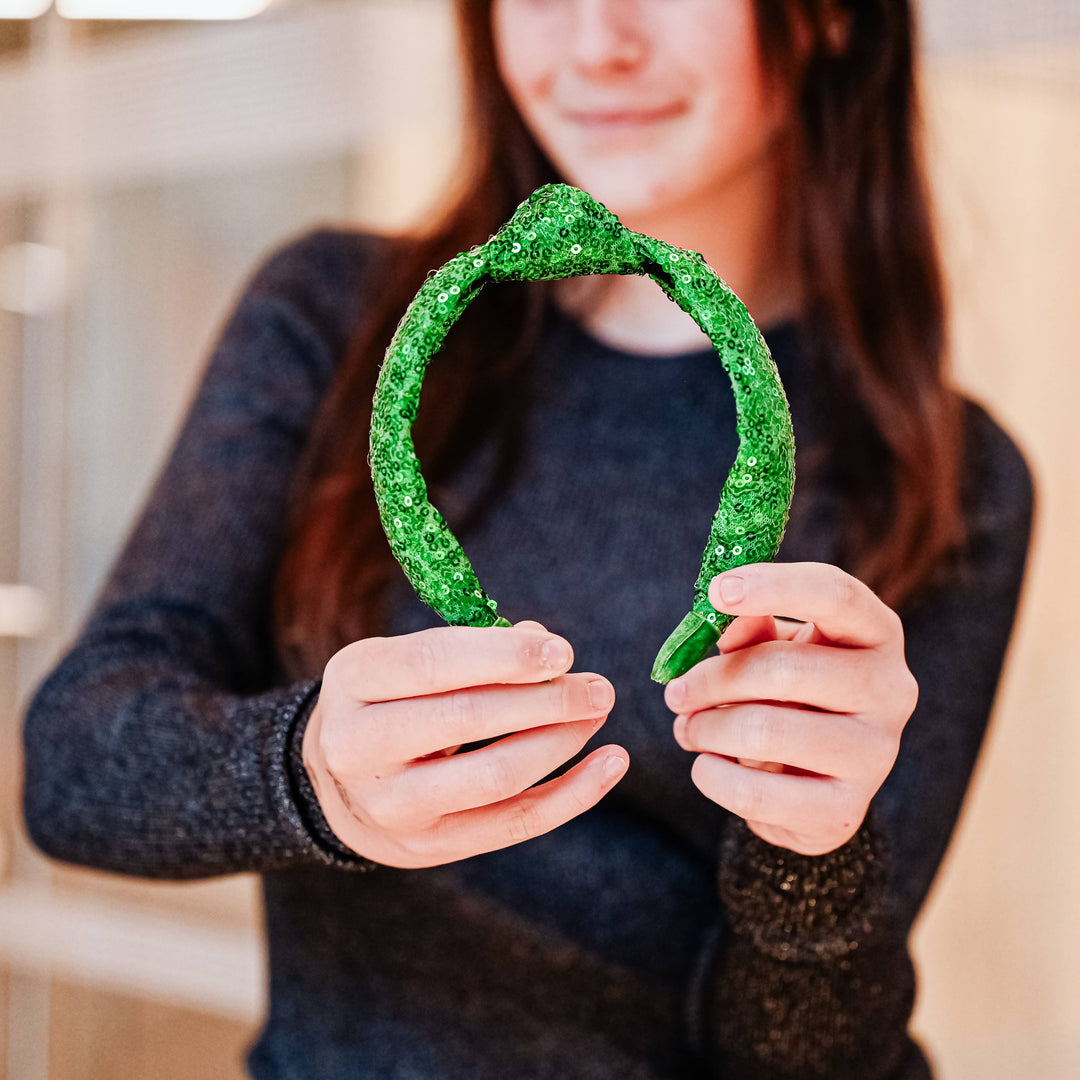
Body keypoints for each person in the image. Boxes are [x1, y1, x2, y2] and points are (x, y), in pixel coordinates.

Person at [21, 1, 1035, 1077]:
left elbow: (812, 1057)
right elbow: (76, 766)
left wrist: (814, 858)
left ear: (827, 15)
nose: (599, 42)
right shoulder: (327, 314)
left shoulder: (947, 477)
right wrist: (314, 772)